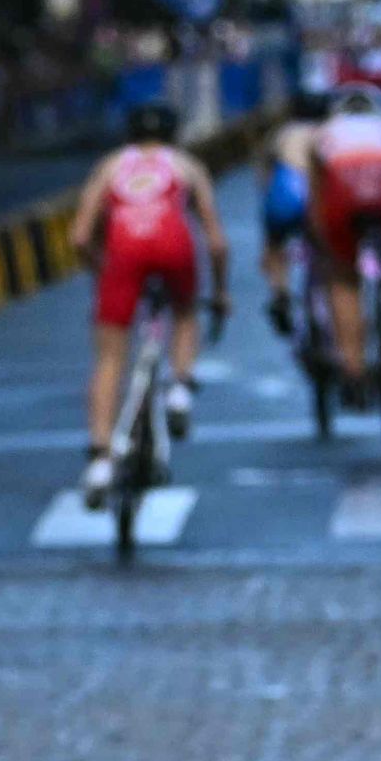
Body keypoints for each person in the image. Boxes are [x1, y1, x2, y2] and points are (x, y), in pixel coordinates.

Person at [68, 99, 226, 504]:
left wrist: (101, 269)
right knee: (186, 311)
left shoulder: (110, 166)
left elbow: (81, 237)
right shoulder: (186, 165)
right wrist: (221, 293)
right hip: (173, 244)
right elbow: (216, 242)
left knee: (109, 359)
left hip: (123, 250)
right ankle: (179, 387)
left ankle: (101, 459)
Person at [307, 80, 381, 395]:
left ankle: (353, 367)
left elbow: (316, 201)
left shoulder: (322, 135)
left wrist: (323, 246)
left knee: (344, 279)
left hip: (343, 194)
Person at [258, 82, 326, 341]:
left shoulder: (282, 134)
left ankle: (280, 291)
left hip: (286, 193)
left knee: (275, 242)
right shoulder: (327, 132)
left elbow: (266, 178)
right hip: (318, 198)